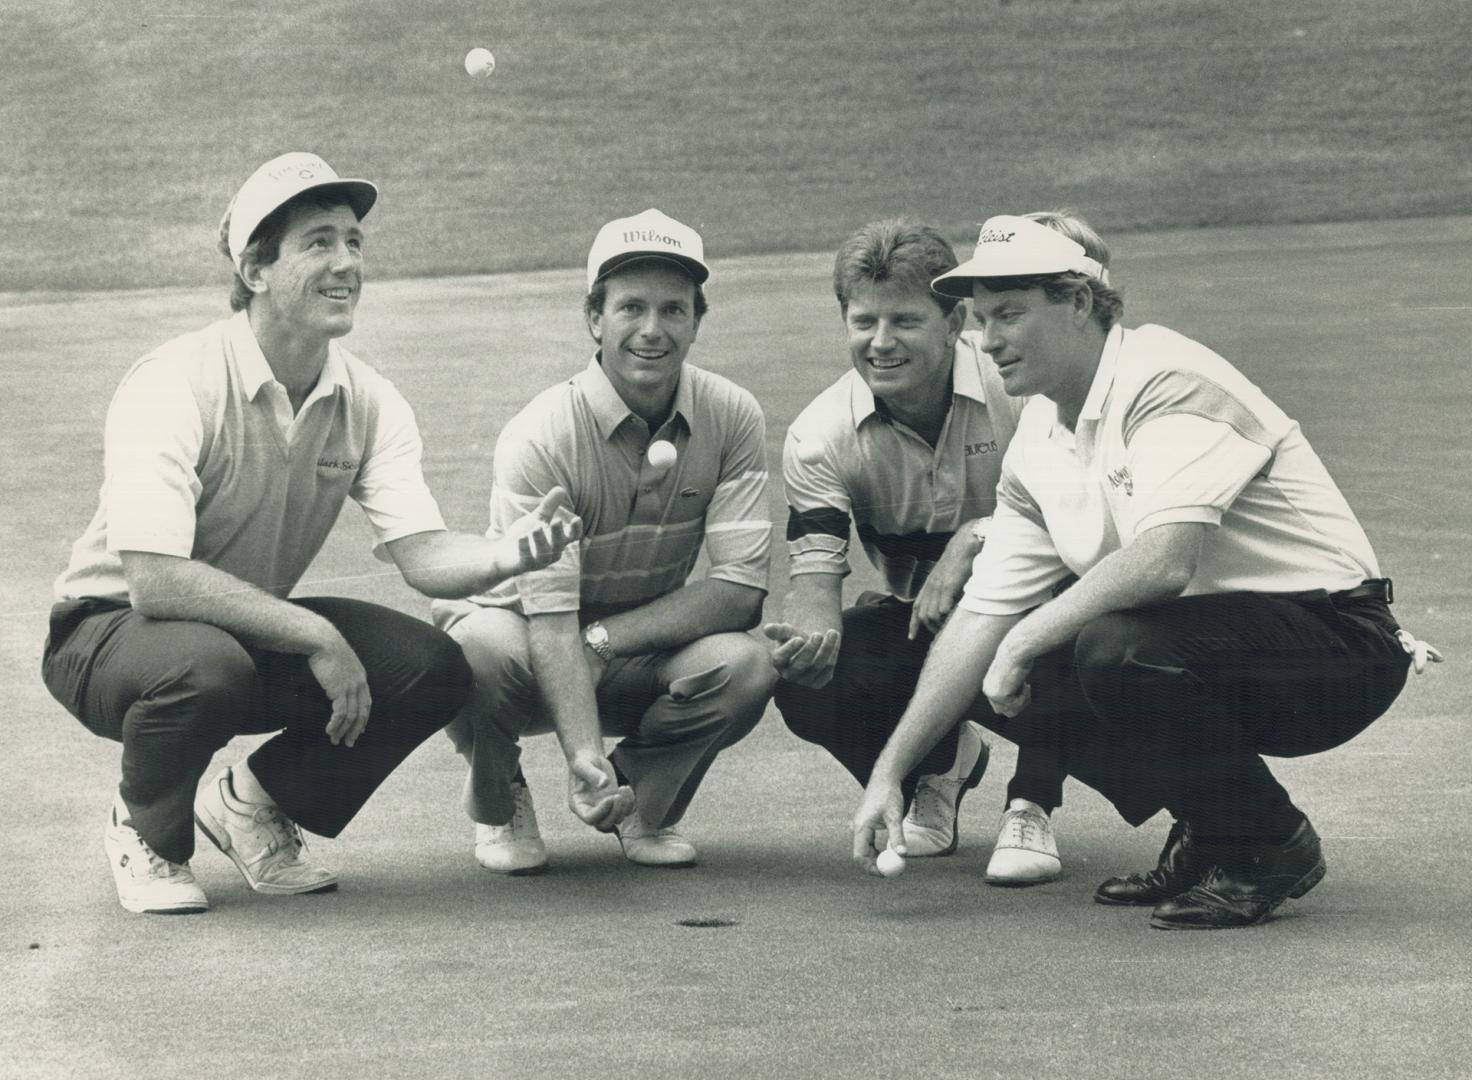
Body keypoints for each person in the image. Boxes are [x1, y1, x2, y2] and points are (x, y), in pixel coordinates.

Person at [850, 210, 1440, 929]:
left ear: (1077, 302)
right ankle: (1211, 830)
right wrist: (891, 771)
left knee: (1108, 645)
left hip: (1338, 652)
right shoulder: (1041, 434)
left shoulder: (1165, 376)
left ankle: (1270, 844)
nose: (988, 340)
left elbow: (1164, 562)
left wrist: (1022, 639)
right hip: (1225, 650)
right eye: (978, 319)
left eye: (1009, 314)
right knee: (1065, 650)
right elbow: (981, 616)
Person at [41, 152, 581, 916]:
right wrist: (315, 636)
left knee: (431, 667)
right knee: (207, 665)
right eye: (319, 242)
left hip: (237, 627)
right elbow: (154, 579)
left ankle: (252, 805)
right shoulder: (173, 381)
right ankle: (146, 831)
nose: (347, 263)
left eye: (354, 242)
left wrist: (502, 555)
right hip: (105, 634)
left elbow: (423, 553)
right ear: (256, 269)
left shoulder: (368, 397)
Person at [431, 209, 775, 874]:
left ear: (697, 321)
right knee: (476, 647)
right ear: (595, 318)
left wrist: (605, 642)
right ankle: (503, 797)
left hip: (629, 652)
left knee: (746, 665)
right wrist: (582, 756)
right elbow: (552, 622)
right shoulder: (542, 434)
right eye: (631, 308)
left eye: (674, 310)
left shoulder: (732, 415)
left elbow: (740, 591)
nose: (653, 329)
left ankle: (638, 797)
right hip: (525, 649)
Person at [762, 218, 1070, 883]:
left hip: (1042, 608)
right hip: (924, 624)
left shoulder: (1013, 385)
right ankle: (941, 764)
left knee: (1060, 617)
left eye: (904, 320)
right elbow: (815, 568)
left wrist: (975, 538)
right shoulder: (820, 435)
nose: (881, 342)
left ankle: (1032, 804)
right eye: (862, 322)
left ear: (954, 319)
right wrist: (811, 627)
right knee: (808, 682)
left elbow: (1072, 523)